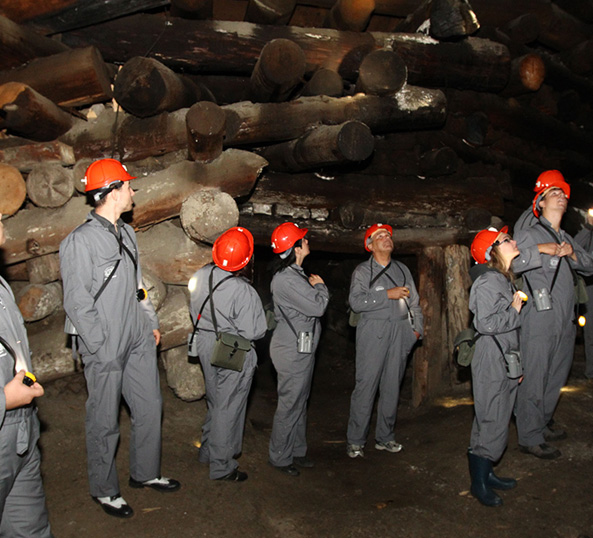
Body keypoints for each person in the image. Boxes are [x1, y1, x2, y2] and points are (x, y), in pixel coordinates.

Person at [59, 159, 180, 519]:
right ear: (112, 192)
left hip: (136, 333)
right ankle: (104, 489)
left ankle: (145, 472)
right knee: (104, 418)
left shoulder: (126, 233)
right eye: (127, 186)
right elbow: (77, 301)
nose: (132, 191)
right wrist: (99, 344)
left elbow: (137, 285)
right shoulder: (79, 241)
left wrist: (149, 320)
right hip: (104, 338)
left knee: (149, 406)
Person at [512, 170, 593, 459]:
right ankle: (529, 436)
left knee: (557, 373)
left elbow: (589, 265)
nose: (561, 196)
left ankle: (542, 421)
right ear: (541, 202)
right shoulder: (528, 233)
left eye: (563, 193)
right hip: (539, 316)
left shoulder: (567, 237)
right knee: (536, 375)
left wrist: (572, 254)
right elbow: (510, 262)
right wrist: (540, 249)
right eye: (553, 193)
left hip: (565, 317)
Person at [188, 226, 267, 481]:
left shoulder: (200, 275)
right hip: (232, 348)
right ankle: (222, 466)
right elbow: (254, 331)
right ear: (246, 259)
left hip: (204, 341)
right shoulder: (242, 290)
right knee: (228, 406)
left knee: (215, 400)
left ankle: (207, 451)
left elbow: (193, 310)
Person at [346, 223, 423, 458]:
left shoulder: (402, 270)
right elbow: (356, 302)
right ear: (370, 245)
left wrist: (416, 331)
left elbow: (415, 303)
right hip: (373, 331)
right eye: (380, 236)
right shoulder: (362, 271)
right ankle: (356, 441)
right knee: (366, 385)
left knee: (392, 386)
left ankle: (385, 437)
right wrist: (386, 295)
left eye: (388, 235)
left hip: (400, 331)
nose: (386, 238)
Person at [0, 213, 53, 537]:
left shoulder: (1, 285)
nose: (3, 226)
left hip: (22, 432)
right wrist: (5, 399)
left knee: (30, 529)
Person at [467, 226, 523, 507]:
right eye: (506, 240)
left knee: (497, 415)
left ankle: (486, 473)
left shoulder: (502, 279)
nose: (513, 241)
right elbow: (486, 323)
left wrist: (517, 366)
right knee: (491, 416)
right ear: (492, 251)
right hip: (491, 356)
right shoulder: (488, 281)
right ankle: (479, 483)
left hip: (503, 355)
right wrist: (514, 311)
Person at [268, 223, 329, 476]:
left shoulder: (295, 275)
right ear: (295, 248)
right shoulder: (287, 279)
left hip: (300, 347)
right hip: (291, 349)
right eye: (302, 239)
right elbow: (318, 307)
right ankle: (280, 457)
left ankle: (296, 450)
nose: (306, 241)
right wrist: (321, 287)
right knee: (290, 403)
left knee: (299, 401)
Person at [573, 211, 593, 380]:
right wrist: (588, 227)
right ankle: (591, 371)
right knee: (591, 331)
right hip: (591, 287)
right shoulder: (589, 234)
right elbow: (574, 248)